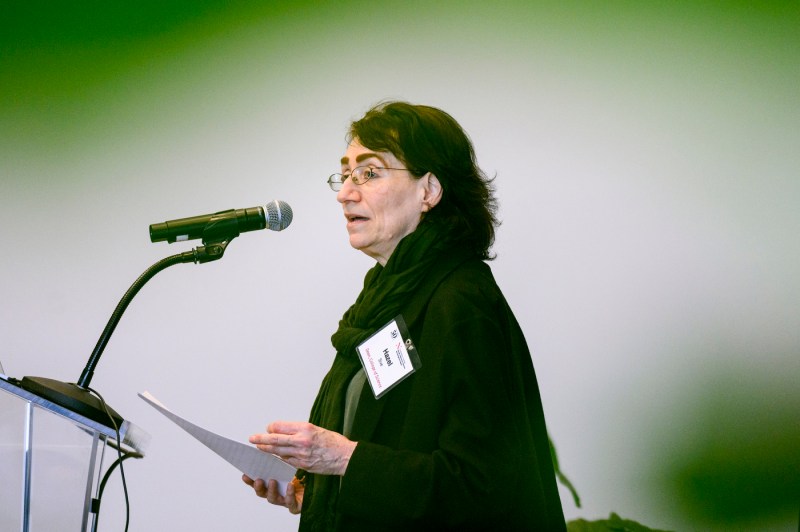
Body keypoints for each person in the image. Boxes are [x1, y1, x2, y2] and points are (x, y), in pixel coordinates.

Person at [243, 101, 565, 530]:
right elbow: (394, 445)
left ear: (428, 191)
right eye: (346, 174)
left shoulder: (460, 302)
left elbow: (483, 486)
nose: (345, 193)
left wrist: (343, 459)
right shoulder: (383, 298)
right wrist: (316, 490)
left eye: (370, 173)